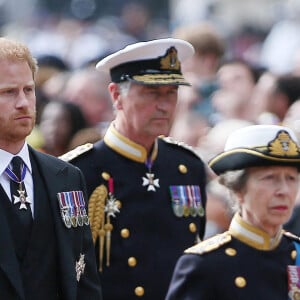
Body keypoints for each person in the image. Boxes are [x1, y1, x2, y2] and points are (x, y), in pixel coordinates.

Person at [60, 38, 207, 300]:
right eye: (152, 93)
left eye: (171, 93)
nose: (164, 106)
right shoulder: (78, 171)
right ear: (116, 95)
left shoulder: (187, 166)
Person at [0, 37, 102, 299]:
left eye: (29, 90)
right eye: (8, 92)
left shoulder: (66, 175)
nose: (23, 102)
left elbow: (85, 278)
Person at [166, 124, 300, 300]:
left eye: (291, 178)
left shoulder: (296, 254)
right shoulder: (205, 265)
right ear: (238, 189)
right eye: (270, 178)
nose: (283, 190)